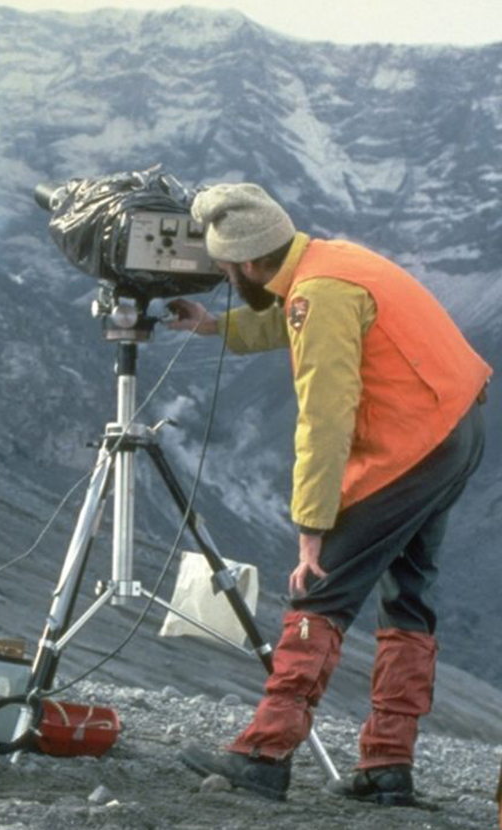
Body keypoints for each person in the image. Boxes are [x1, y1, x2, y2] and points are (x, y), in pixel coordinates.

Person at [167, 184, 490, 805]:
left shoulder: (319, 294)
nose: (225, 277)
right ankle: (387, 766)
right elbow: (287, 314)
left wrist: (312, 524)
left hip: (414, 441)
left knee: (321, 588)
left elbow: (325, 416)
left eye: (227, 271)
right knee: (409, 595)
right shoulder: (327, 261)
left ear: (250, 262)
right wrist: (215, 327)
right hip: (454, 427)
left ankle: (264, 754)